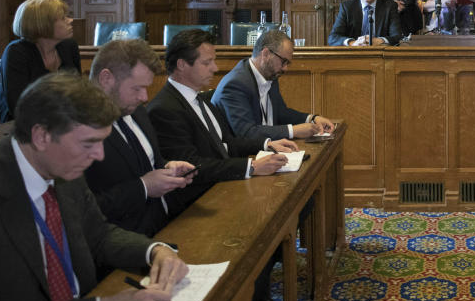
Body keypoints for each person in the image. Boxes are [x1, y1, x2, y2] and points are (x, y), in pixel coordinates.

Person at [0, 73, 188, 301]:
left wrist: (155, 250)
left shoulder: (61, 165)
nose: (99, 156)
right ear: (41, 135)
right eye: (88, 143)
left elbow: (98, 234)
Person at [147, 29, 298, 214]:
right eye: (207, 62)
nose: (215, 68)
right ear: (182, 65)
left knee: (292, 197)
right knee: (278, 205)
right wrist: (251, 167)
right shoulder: (164, 109)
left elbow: (227, 143)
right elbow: (192, 166)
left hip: (221, 185)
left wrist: (267, 144)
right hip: (198, 202)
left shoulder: (200, 100)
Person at [85, 39, 195, 236]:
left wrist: (168, 168)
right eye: (136, 88)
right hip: (124, 244)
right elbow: (84, 208)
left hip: (169, 225)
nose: (145, 97)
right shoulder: (79, 127)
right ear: (106, 78)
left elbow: (150, 163)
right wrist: (143, 187)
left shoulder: (136, 111)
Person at [212, 29, 336, 139]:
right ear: (265, 54)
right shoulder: (235, 84)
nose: (285, 68)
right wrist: (293, 131)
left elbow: (281, 113)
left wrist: (312, 118)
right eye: (283, 61)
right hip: (244, 157)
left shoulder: (270, 75)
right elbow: (247, 133)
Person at [0, 0, 81, 124]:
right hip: (16, 126)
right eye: (63, 18)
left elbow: (79, 93)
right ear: (43, 25)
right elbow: (17, 105)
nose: (70, 20)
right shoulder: (16, 52)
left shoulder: (69, 46)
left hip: (63, 122)